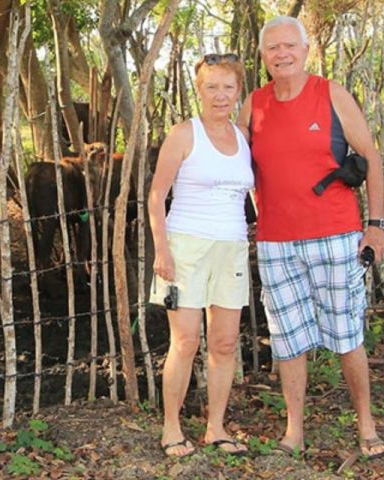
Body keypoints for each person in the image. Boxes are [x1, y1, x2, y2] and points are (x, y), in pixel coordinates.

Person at [237, 15, 384, 459]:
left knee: (347, 336)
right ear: (263, 57)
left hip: (335, 235)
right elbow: (237, 166)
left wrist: (375, 226)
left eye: (289, 46)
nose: (281, 54)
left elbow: (371, 157)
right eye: (272, 48)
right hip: (276, 242)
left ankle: (366, 424)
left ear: (305, 51)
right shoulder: (253, 104)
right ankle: (294, 431)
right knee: (288, 340)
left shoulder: (331, 95)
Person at [149, 53, 254, 457]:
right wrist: (162, 251)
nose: (220, 95)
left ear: (238, 91)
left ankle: (216, 427)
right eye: (212, 87)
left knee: (225, 343)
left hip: (230, 247)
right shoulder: (183, 134)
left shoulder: (244, 136)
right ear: (200, 90)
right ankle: (172, 426)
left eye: (228, 87)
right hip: (186, 246)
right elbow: (157, 195)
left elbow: (253, 191)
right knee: (186, 339)